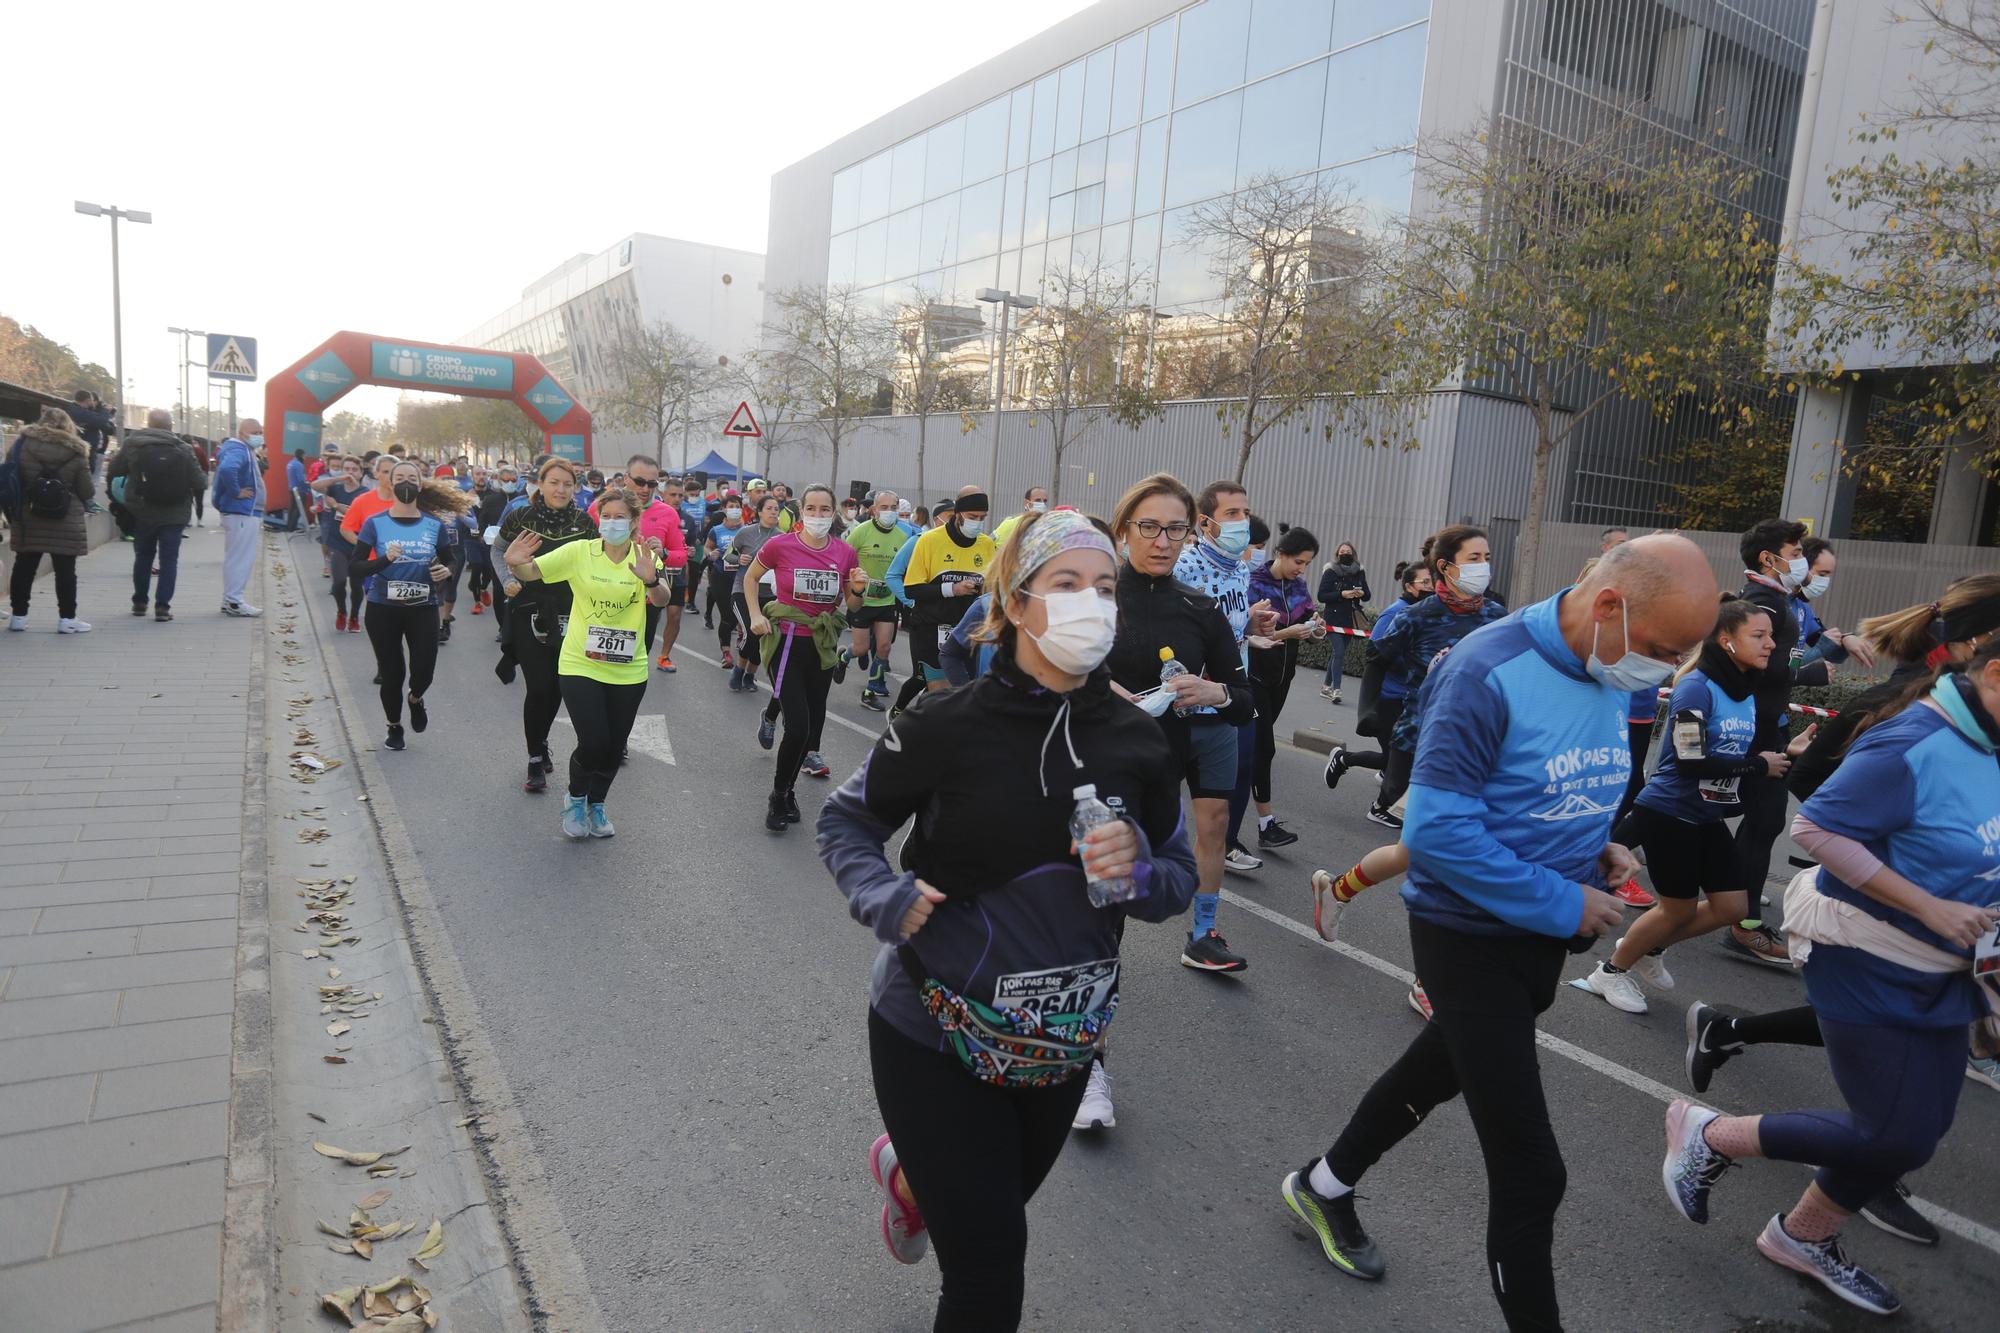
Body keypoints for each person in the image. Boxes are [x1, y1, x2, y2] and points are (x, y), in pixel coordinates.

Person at [1284, 536, 1716, 1330]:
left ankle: (1322, 1184)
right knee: (1532, 1170)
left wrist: (1598, 847)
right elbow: (1440, 832)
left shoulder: (1606, 665)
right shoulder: (1487, 667)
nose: (1667, 668)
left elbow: (1554, 780)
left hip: (1540, 934)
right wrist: (1564, 901)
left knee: (1437, 1067)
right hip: (1469, 933)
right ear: (1612, 605)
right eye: (1664, 649)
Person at [816, 508, 1199, 1331]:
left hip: (1062, 1039)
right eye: (1066, 584)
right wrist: (882, 898)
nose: (1091, 603)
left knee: (987, 1206)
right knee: (990, 1269)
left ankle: (911, 1181)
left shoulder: (1138, 739)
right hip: (932, 1028)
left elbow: (1179, 882)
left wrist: (1137, 868)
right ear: (1017, 602)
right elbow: (845, 824)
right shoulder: (943, 721)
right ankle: (930, 1180)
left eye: (1105, 588)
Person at [1660, 637, 2000, 1318]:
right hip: (1862, 947)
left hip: (1948, 958)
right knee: (1891, 1132)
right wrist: (1928, 903)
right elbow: (1817, 828)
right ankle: (1707, 1133)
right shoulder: (1914, 740)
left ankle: (1802, 1235)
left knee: (1920, 1128)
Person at [1578, 599, 1816, 1014]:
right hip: (1669, 812)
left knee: (1732, 907)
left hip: (1704, 814)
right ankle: (1610, 974)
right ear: (1726, 642)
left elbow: (1743, 753)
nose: (1770, 645)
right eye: (1758, 636)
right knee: (1677, 907)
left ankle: (1651, 949)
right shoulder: (1696, 689)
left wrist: (1785, 754)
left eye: (1771, 636)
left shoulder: (1743, 692)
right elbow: (1691, 759)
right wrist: (1759, 764)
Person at [1105, 473, 1254, 974]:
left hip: (1180, 748)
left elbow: (1245, 700)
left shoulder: (1200, 606)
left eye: (1176, 529)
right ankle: (1096, 968)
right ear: (1123, 530)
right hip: (1109, 763)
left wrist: (1217, 692)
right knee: (1110, 893)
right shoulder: (1095, 598)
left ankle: (1203, 933)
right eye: (1149, 527)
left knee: (1210, 827)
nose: (1163, 541)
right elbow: (1034, 671)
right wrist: (1093, 687)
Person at [505, 485, 671, 838]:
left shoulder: (643, 556)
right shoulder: (581, 552)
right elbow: (532, 572)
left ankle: (597, 803)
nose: (611, 523)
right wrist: (514, 563)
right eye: (606, 516)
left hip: (628, 667)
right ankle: (576, 798)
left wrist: (652, 578)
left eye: (619, 517)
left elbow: (661, 598)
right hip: (581, 661)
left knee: (613, 747)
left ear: (634, 521)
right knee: (594, 741)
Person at [1364, 525, 1505, 830]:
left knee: (1453, 830)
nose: (1483, 566)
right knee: (1409, 823)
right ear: (1445, 566)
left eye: (1486, 557)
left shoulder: (1498, 618)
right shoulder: (1416, 616)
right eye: (1474, 558)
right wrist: (1370, 710)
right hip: (1420, 734)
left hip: (1474, 738)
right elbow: (1377, 658)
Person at [744, 484, 865, 830]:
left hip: (822, 644)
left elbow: (853, 605)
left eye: (824, 509)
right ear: (800, 512)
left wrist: (857, 589)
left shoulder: (845, 553)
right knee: (797, 727)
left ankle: (789, 788)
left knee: (810, 728)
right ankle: (777, 795)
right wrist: (755, 615)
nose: (817, 515)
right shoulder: (781, 545)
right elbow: (752, 578)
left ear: (834, 513)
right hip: (786, 643)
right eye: (810, 509)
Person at [492, 458, 598, 792]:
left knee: (558, 687)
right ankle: (535, 757)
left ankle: (541, 739)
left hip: (573, 612)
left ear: (575, 488)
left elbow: (597, 559)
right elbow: (497, 551)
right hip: (530, 609)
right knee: (539, 687)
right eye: (554, 482)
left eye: (567, 484)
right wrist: (508, 577)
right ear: (540, 483)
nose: (561, 489)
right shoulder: (521, 516)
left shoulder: (584, 522)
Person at [349, 461, 470, 751]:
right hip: (383, 609)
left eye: (411, 478)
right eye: (399, 477)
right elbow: (356, 568)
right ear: (390, 484)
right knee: (392, 674)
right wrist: (384, 560)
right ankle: (394, 726)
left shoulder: (433, 524)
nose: (405, 482)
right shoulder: (375, 523)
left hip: (423, 607)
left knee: (424, 671)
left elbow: (450, 558)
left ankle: (416, 699)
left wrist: (448, 571)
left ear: (420, 484)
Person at [1324, 559, 1432, 791]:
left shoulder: (1425, 615)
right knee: (1397, 760)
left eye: (1432, 581)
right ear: (1409, 586)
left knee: (1398, 759)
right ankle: (1380, 802)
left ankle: (1348, 762)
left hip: (1412, 700)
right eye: (1425, 581)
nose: (1431, 586)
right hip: (1388, 698)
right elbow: (1376, 655)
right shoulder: (1393, 615)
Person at [1246, 526, 1322, 850]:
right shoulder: (1254, 585)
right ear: (1281, 553)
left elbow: (1310, 620)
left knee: (1253, 750)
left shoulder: (1299, 587)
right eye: (1298, 561)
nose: (1301, 569)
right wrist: (1289, 633)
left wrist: (1315, 630)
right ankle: (1266, 825)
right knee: (1265, 749)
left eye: (1306, 563)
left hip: (1283, 679)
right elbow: (1249, 636)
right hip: (1255, 678)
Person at [890, 487, 994, 717]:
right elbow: (912, 588)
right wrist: (953, 589)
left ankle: (917, 725)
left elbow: (993, 587)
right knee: (940, 691)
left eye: (982, 518)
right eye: (972, 517)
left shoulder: (986, 544)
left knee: (961, 693)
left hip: (967, 628)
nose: (977, 523)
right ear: (958, 514)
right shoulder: (928, 540)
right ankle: (903, 718)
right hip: (930, 626)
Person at [106, 410, 204, 623]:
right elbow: (201, 482)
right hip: (175, 512)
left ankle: (140, 603)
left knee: (143, 557)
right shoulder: (183, 448)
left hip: (142, 511)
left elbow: (114, 469)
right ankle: (162, 607)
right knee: (169, 560)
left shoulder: (134, 444)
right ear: (170, 426)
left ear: (148, 424)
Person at [6, 408, 96, 632]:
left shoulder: (22, 445)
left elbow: (10, 476)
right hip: (65, 517)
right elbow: (87, 491)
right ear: (68, 425)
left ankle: (18, 617)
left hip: (29, 514)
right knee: (65, 571)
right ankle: (67, 619)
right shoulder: (76, 450)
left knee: (24, 568)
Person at [846, 489, 917, 711]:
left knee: (884, 646)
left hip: (887, 600)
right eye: (884, 508)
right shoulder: (861, 531)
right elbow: (845, 560)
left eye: (893, 508)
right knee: (860, 649)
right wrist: (851, 587)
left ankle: (870, 691)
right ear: (874, 510)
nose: (889, 512)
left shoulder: (905, 534)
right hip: (863, 600)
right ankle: (844, 657)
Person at [724, 495, 785, 692]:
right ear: (759, 511)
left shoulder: (782, 537)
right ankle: (739, 670)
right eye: (769, 508)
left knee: (764, 636)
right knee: (751, 633)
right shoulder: (745, 532)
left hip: (769, 594)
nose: (774, 512)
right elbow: (727, 554)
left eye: (776, 509)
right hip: (743, 590)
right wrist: (738, 559)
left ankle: (750, 675)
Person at [312, 453, 371, 632]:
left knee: (355, 584)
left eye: (354, 470)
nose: (350, 473)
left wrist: (337, 506)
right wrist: (337, 477)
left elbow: (358, 515)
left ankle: (354, 616)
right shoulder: (336, 488)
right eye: (347, 469)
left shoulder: (365, 494)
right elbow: (314, 485)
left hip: (357, 542)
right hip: (337, 541)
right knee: (338, 582)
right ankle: (341, 611)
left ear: (361, 473)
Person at [212, 420, 265, 617]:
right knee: (241, 559)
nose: (259, 435)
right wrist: (237, 492)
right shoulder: (239, 450)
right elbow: (227, 469)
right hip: (242, 512)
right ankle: (234, 601)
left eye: (261, 431)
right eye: (254, 432)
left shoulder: (239, 449)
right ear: (242, 433)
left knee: (236, 557)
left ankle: (230, 600)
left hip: (241, 512)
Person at [1316, 540, 1370, 701]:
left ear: (1353, 554)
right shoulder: (1330, 571)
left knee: (1338, 654)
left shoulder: (1359, 572)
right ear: (1337, 554)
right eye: (1342, 551)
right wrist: (1342, 594)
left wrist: (1360, 594)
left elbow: (1367, 595)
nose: (1345, 554)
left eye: (1348, 551)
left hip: (1350, 620)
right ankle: (1336, 690)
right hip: (1332, 618)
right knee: (1339, 652)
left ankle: (1325, 687)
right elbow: (1321, 595)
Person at [702, 496, 747, 667]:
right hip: (721, 576)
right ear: (724, 509)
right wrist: (710, 554)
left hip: (741, 577)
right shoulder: (716, 530)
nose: (735, 508)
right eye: (731, 506)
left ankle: (740, 634)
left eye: (737, 506)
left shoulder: (747, 530)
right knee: (727, 615)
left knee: (738, 614)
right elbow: (708, 546)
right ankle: (726, 652)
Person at [285, 450, 312, 534]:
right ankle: (293, 528)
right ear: (301, 455)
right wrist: (309, 484)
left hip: (292, 489)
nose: (305, 458)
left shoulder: (290, 463)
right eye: (304, 456)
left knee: (292, 508)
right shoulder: (299, 465)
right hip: (300, 490)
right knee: (298, 509)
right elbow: (302, 479)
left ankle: (289, 527)